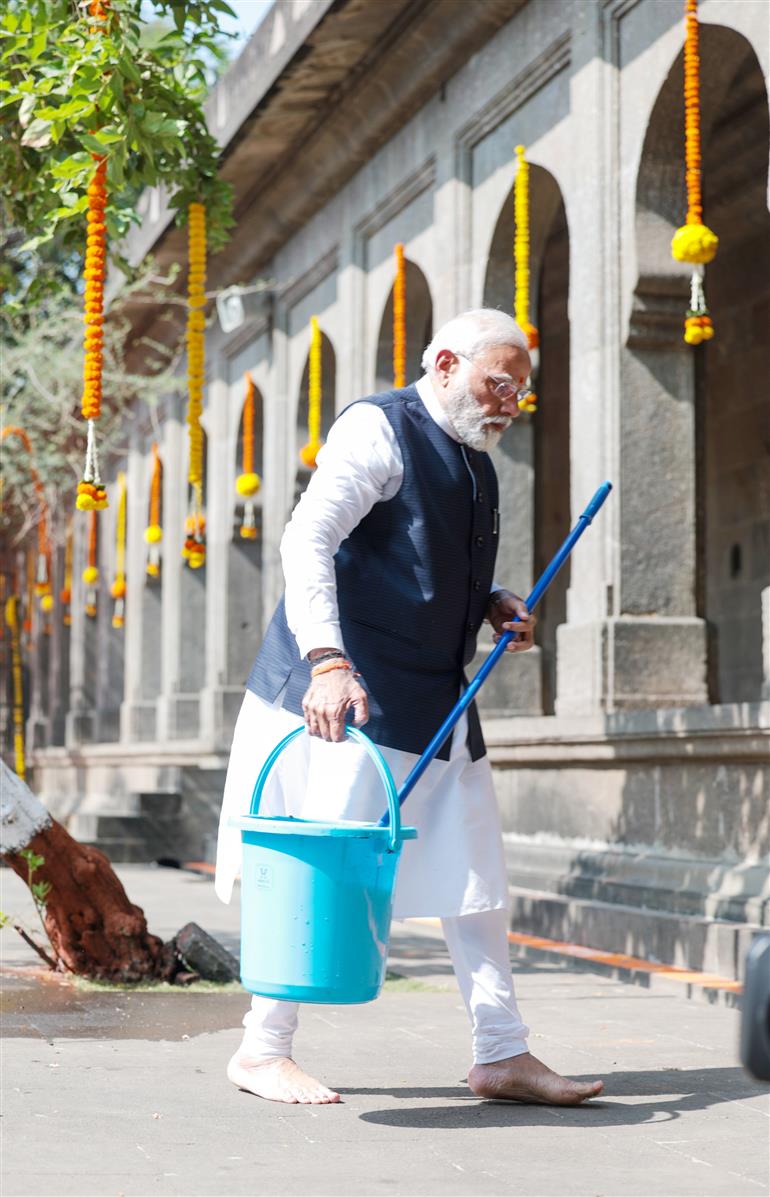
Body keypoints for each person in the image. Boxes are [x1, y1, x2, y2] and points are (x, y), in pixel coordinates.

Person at [215, 308, 604, 1107]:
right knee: (327, 873)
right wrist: (326, 659)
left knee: (478, 879)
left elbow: (419, 560)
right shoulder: (377, 427)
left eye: (520, 392)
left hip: (437, 698)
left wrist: (488, 601)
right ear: (446, 362)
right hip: (344, 700)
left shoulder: (475, 459)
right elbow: (307, 540)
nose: (509, 403)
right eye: (499, 382)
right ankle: (260, 1049)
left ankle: (501, 1051)